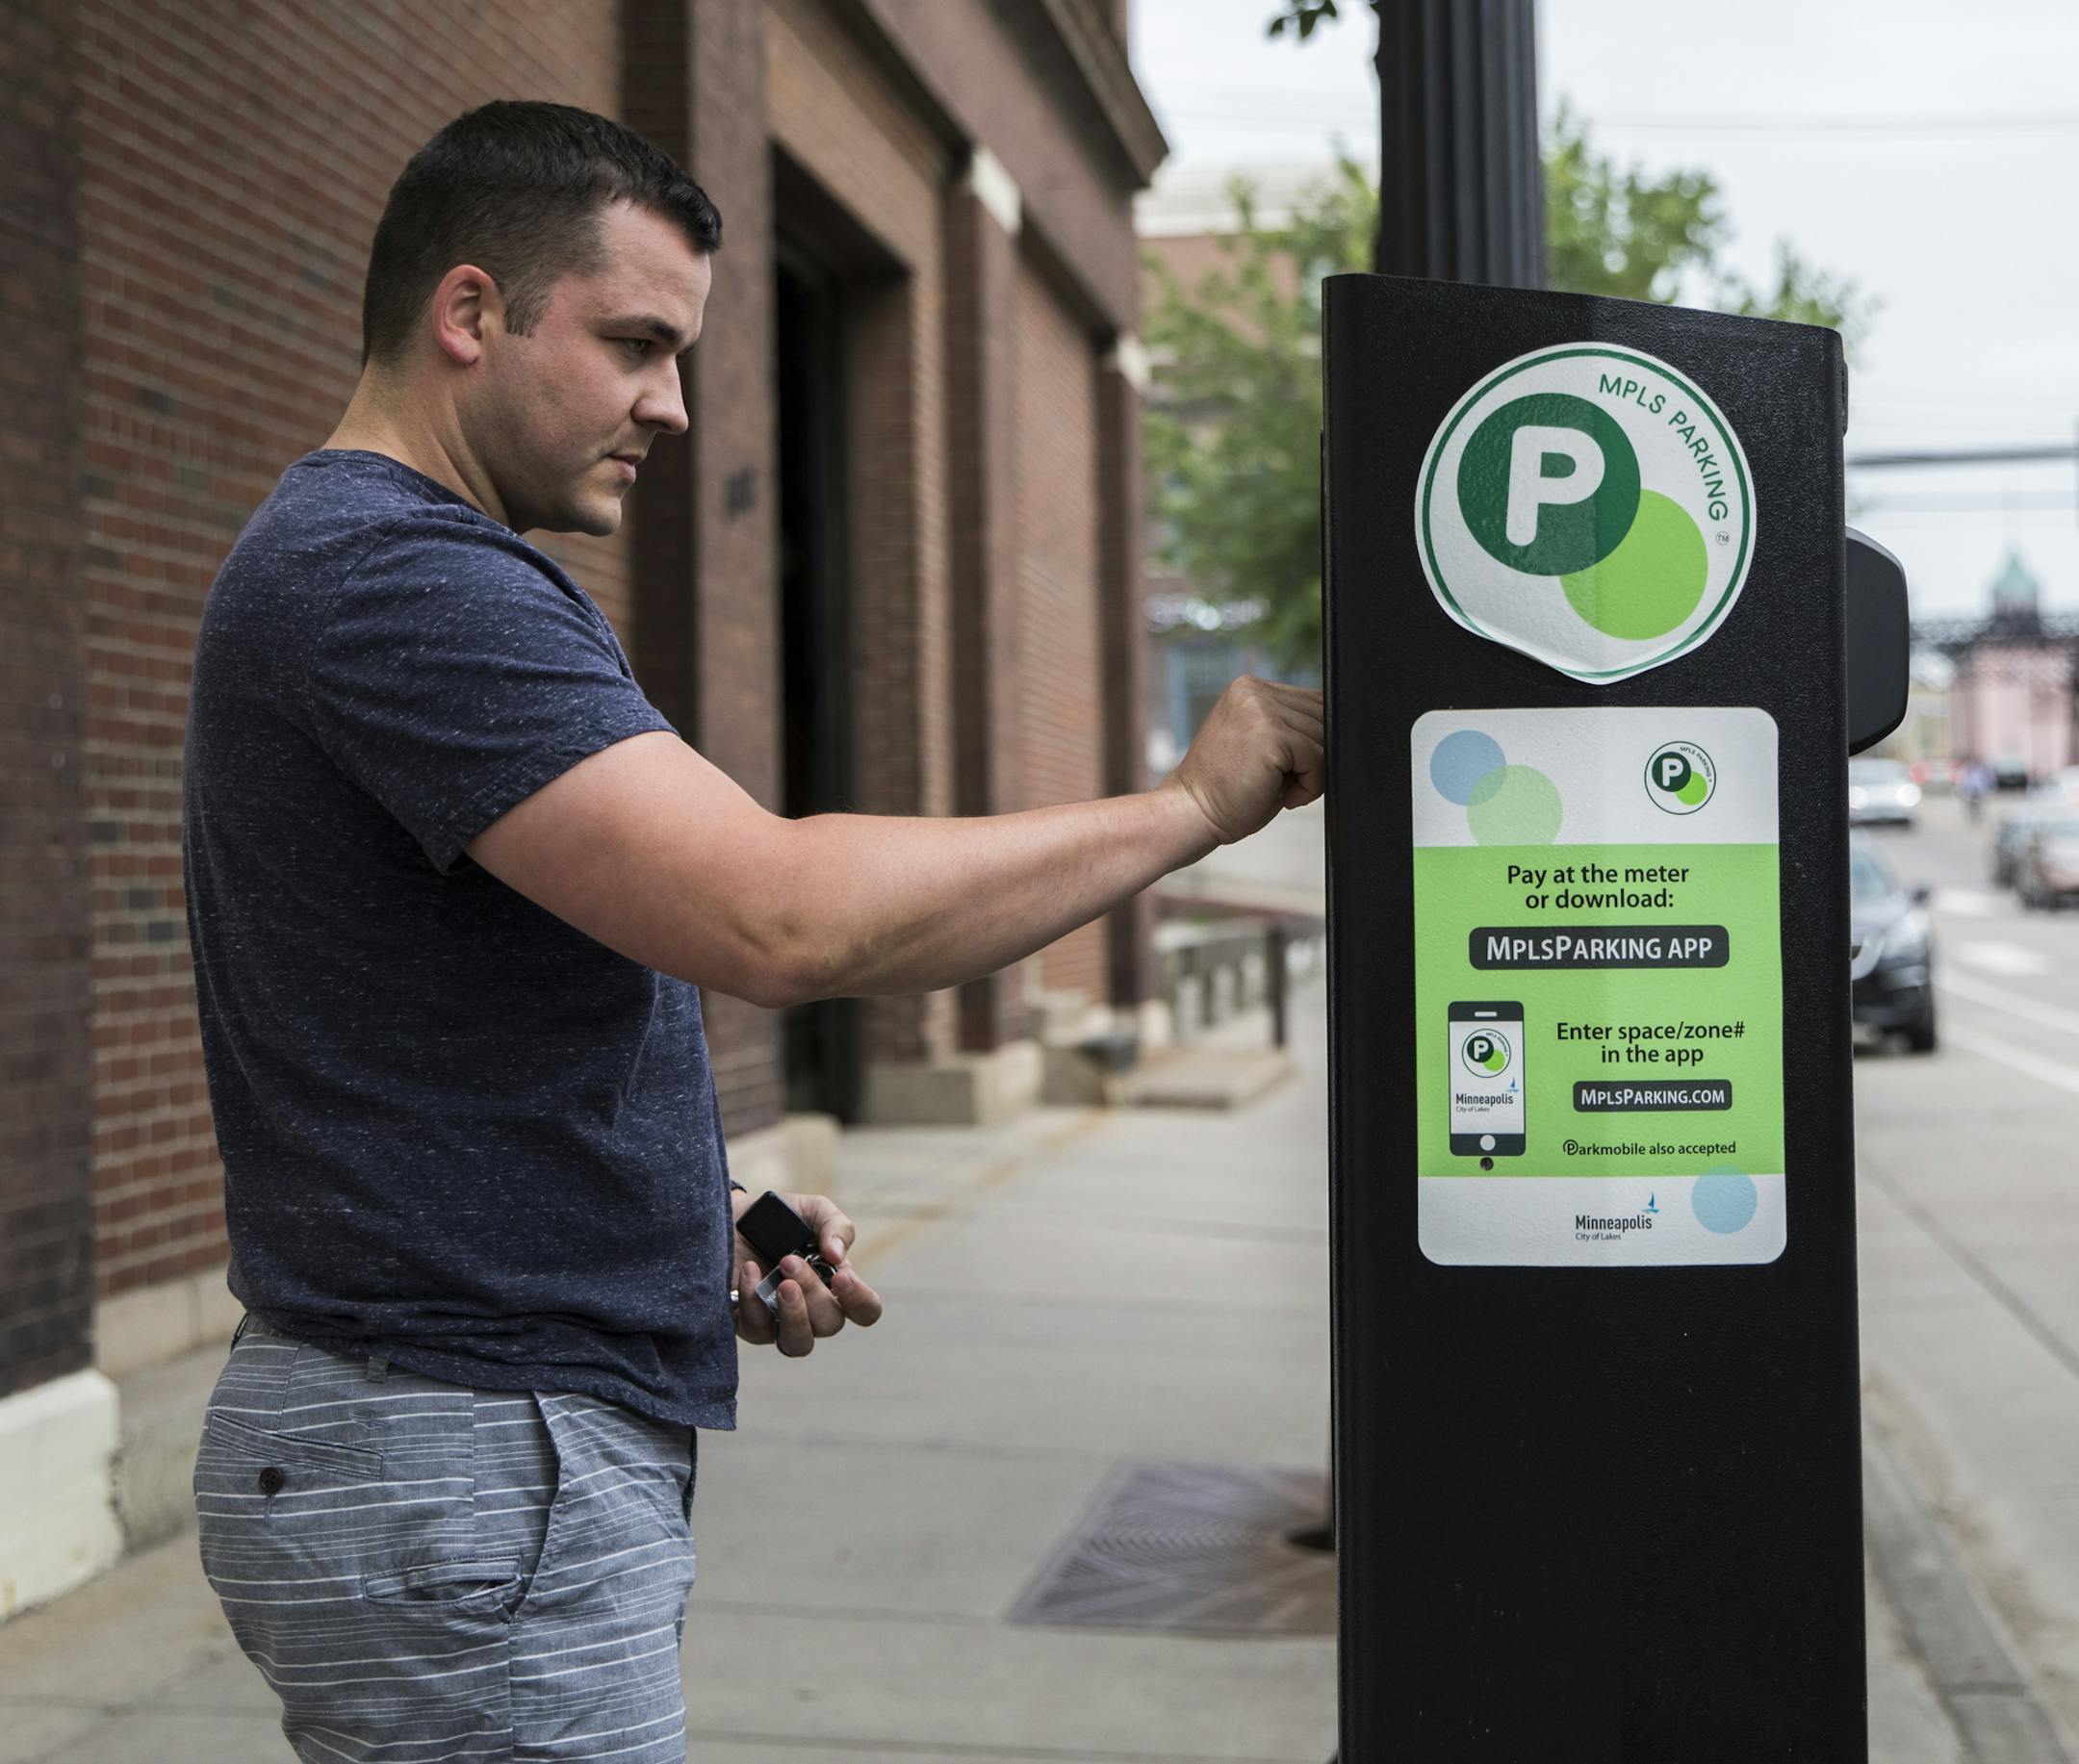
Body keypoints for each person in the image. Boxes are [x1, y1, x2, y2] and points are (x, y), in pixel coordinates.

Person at [181, 100, 1324, 1763]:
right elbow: (773, 915)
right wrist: (1188, 809)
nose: (676, 402)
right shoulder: (397, 581)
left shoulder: (379, 571)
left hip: (455, 1442)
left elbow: (418, 1023)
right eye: (637, 341)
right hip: (462, 1450)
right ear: (471, 313)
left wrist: (682, 1209)